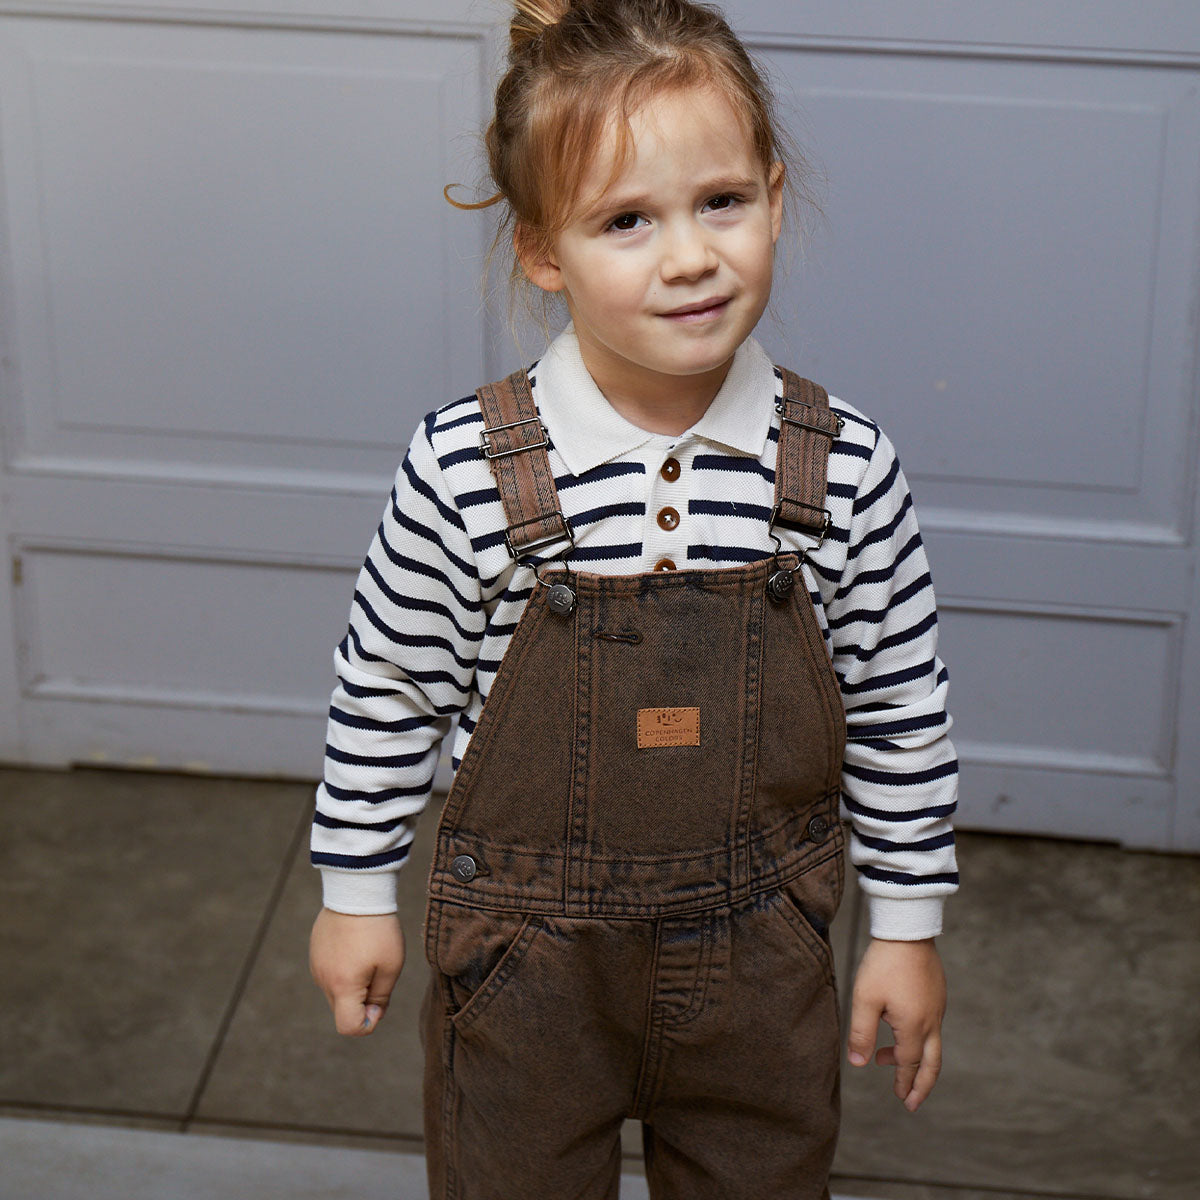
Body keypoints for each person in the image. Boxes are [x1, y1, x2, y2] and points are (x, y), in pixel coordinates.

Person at [309, 1, 958, 1195]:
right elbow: (391, 684)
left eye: (722, 200)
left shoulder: (846, 465)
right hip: (525, 976)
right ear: (543, 250)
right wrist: (356, 889)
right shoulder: (466, 466)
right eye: (626, 220)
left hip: (764, 969)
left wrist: (907, 926)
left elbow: (900, 705)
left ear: (773, 191)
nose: (690, 255)